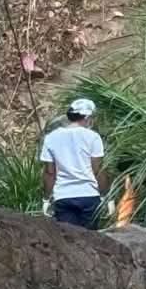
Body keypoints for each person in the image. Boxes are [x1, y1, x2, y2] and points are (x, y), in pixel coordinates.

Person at [40, 98, 113, 229]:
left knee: (69, 242)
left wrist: (46, 199)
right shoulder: (93, 137)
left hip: (63, 196)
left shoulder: (51, 138)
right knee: (91, 242)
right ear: (87, 117)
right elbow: (98, 170)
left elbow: (50, 173)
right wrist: (107, 196)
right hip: (89, 196)